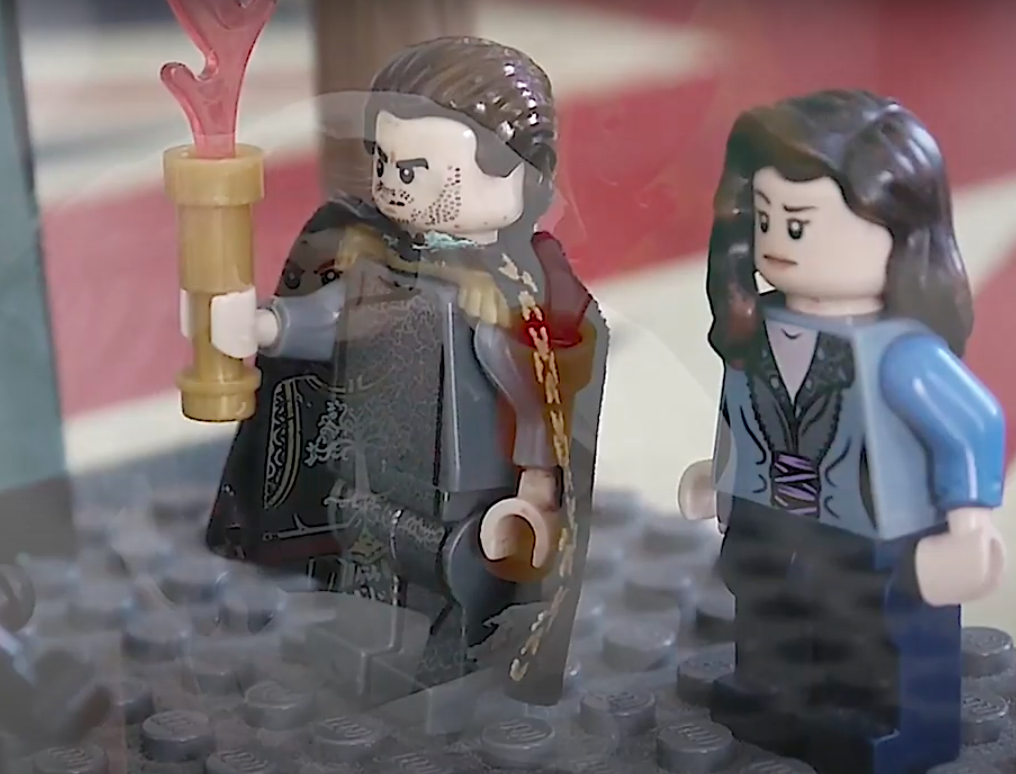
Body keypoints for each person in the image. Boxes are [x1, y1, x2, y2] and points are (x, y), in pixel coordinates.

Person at [195, 36, 608, 711]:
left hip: (463, 501)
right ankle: (372, 656)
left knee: (452, 595)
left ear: (516, 176)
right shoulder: (385, 263)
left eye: (413, 171)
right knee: (368, 580)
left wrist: (536, 493)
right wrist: (267, 327)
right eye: (383, 164)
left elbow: (546, 405)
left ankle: (451, 670)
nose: (389, 185)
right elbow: (334, 318)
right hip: (368, 474)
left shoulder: (526, 304)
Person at [678, 89, 1005, 774]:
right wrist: (720, 472)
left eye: (799, 225)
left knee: (865, 629)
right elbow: (745, 408)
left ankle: (876, 716)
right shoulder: (756, 328)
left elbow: (971, 423)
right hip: (768, 516)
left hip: (872, 532)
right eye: (764, 219)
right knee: (767, 607)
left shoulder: (900, 354)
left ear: (896, 228)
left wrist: (969, 527)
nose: (774, 241)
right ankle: (772, 692)